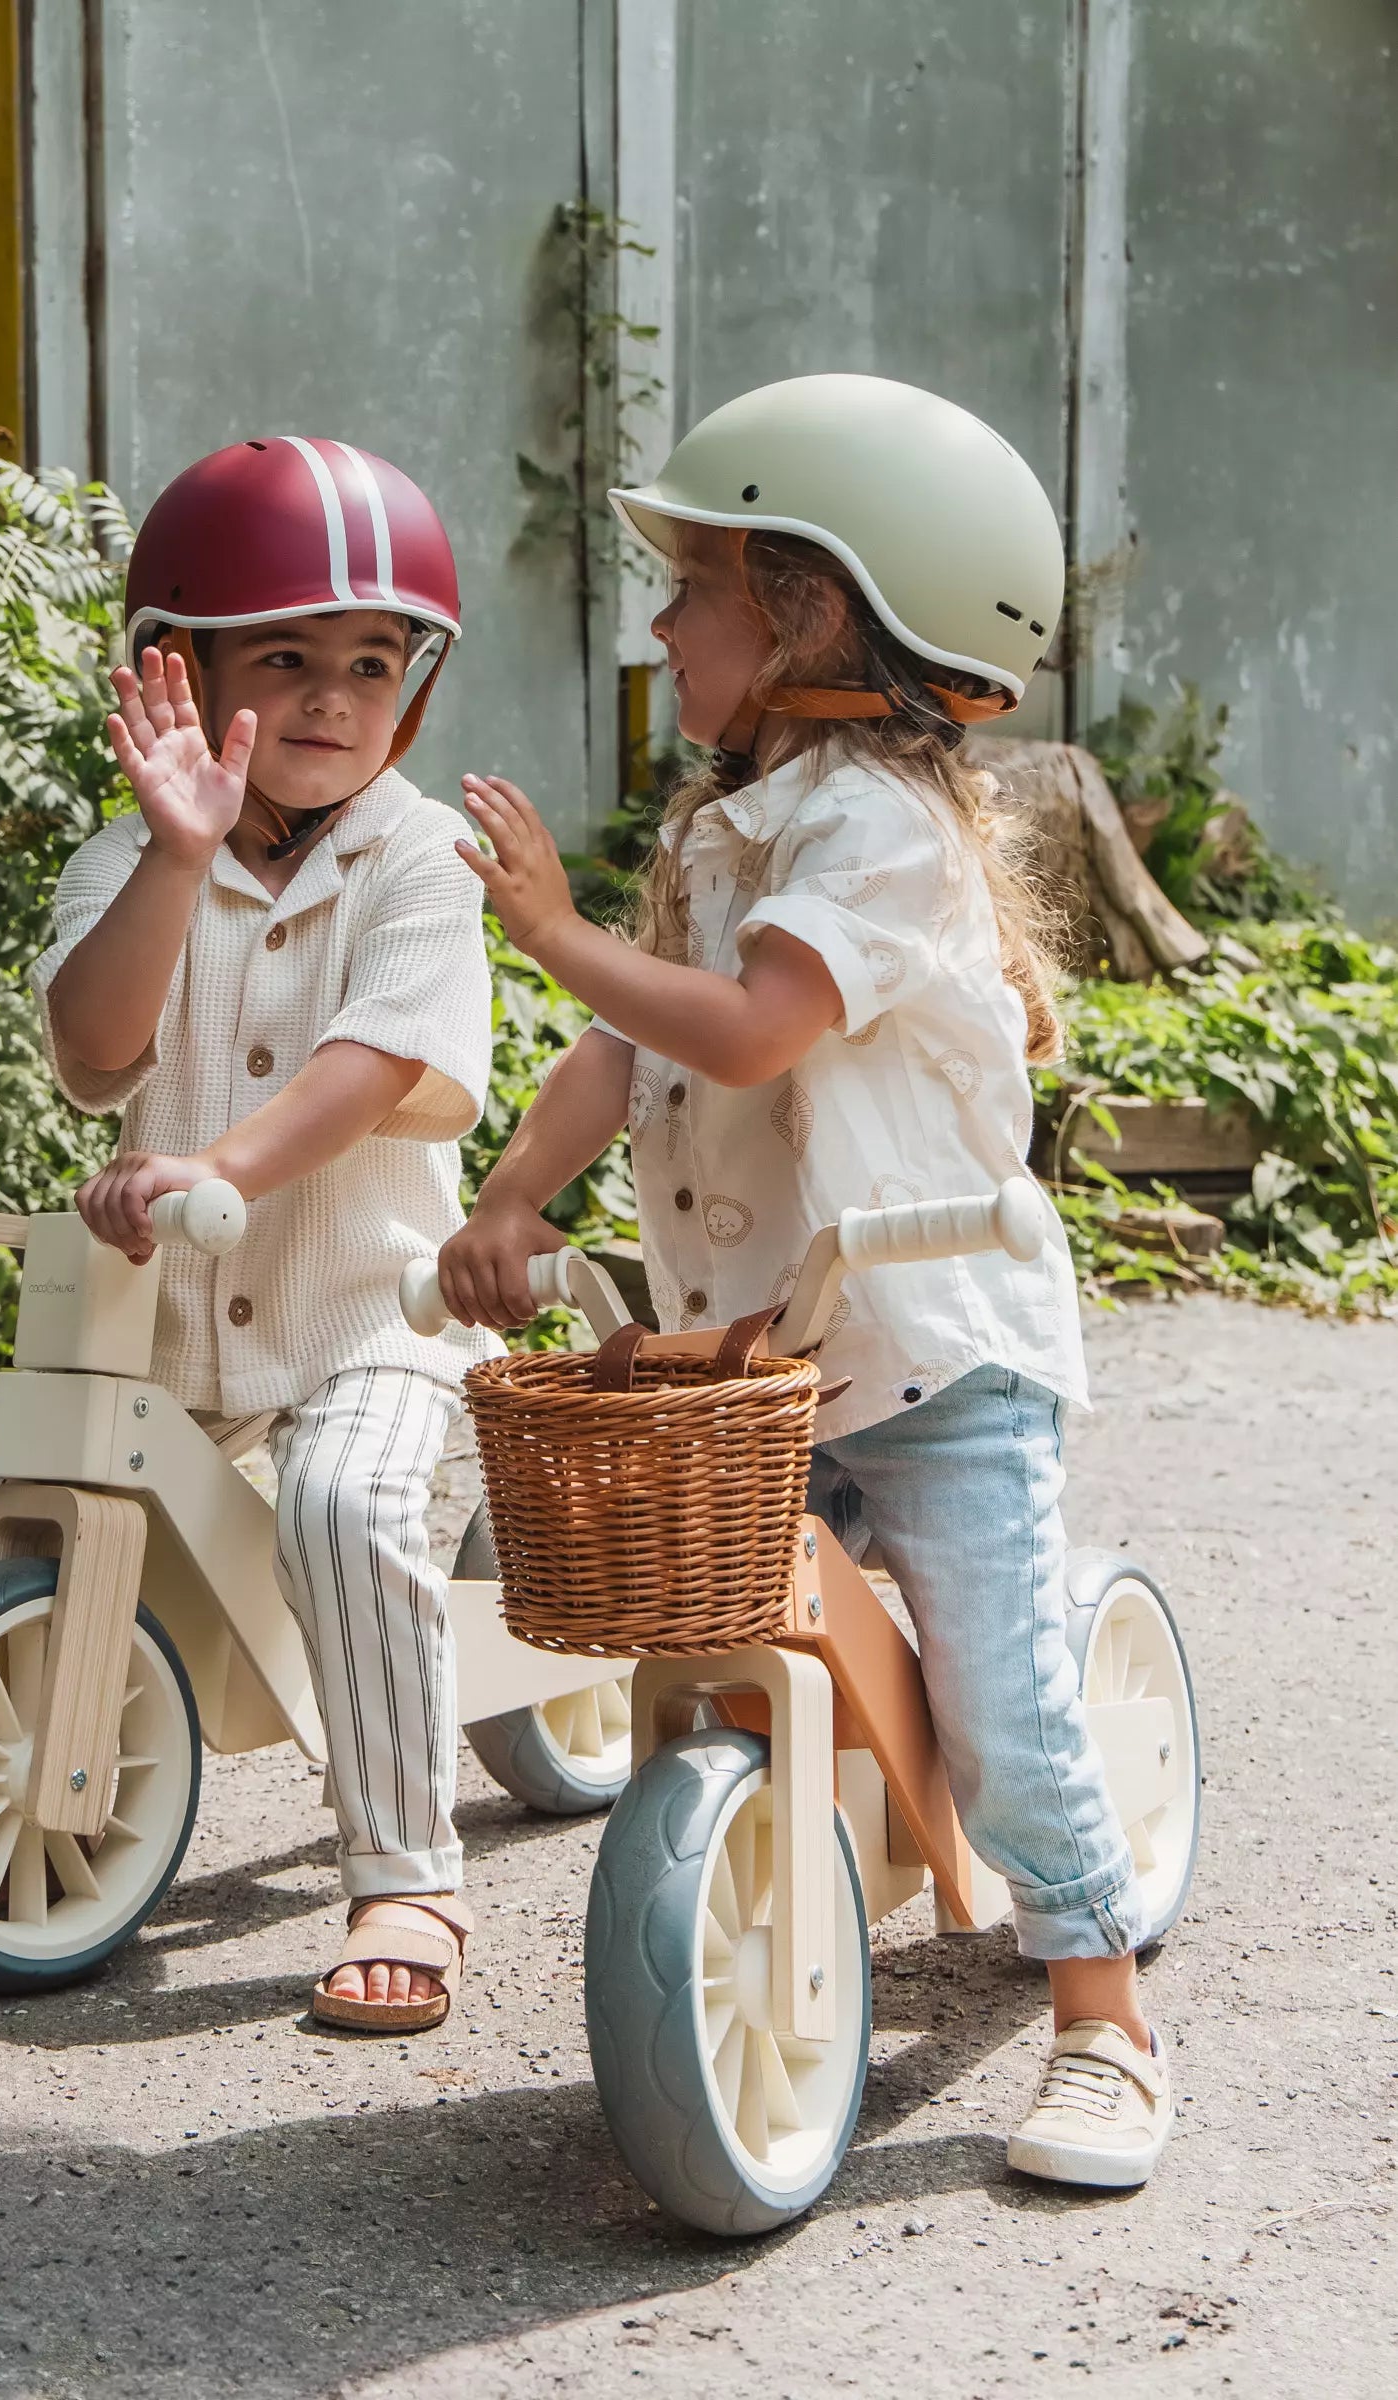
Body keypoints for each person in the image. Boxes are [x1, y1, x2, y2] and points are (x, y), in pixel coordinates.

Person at [438, 374, 1174, 2186]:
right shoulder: (725, 827)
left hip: (929, 1353)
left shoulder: (878, 830)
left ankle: (1098, 2016)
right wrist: (518, 1198)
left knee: (999, 1699)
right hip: (757, 1354)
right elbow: (628, 1052)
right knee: (727, 1642)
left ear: (814, 615)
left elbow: (758, 1033)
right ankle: (797, 1876)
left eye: (695, 586)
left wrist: (552, 932)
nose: (662, 620)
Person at [33, 436, 500, 2031]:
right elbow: (97, 1052)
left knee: (344, 1505)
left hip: (365, 1317)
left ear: (413, 693)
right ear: (183, 669)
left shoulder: (418, 858)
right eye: (283, 657)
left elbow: (378, 1067)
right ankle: (55, 1764)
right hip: (164, 1334)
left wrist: (212, 1163)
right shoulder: (130, 853)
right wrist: (176, 851)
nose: (331, 696)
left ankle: (402, 1872)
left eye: (371, 663)